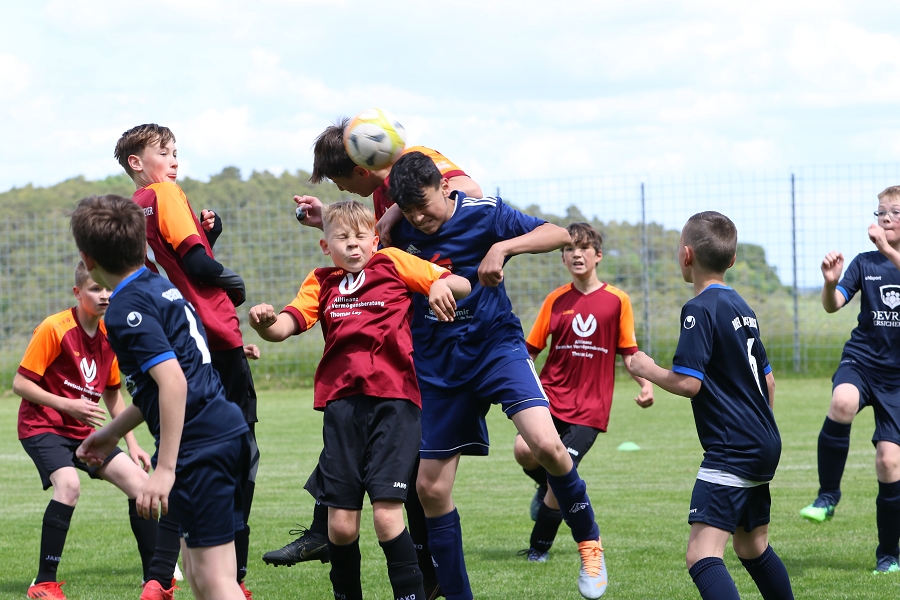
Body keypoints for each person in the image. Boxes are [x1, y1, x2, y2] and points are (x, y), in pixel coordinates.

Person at [264, 119, 482, 600]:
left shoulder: (397, 225)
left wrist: (444, 284)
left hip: (395, 402)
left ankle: (418, 587)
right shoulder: (321, 280)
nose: (358, 242)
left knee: (389, 515)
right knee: (342, 526)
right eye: (344, 238)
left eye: (364, 236)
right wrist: (265, 324)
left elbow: (465, 211)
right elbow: (289, 323)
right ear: (328, 245)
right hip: (342, 408)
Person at [384, 151, 606, 600]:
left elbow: (558, 233)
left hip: (495, 347)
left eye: (424, 205)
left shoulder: (485, 214)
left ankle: (589, 542)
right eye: (408, 211)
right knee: (429, 489)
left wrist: (502, 248)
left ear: (445, 189)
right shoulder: (397, 230)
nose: (419, 218)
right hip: (438, 364)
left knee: (545, 444)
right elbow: (356, 243)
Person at [72, 194, 250, 600]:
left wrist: (165, 469)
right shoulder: (159, 286)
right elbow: (156, 387)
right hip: (222, 427)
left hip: (199, 441)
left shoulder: (124, 308)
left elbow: (173, 383)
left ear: (87, 257)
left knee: (213, 581)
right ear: (143, 244)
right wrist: (110, 434)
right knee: (199, 571)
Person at [114, 124, 259, 597]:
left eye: (176, 152)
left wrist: (206, 233)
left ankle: (159, 575)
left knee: (182, 452)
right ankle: (232, 576)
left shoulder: (139, 206)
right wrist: (229, 279)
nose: (174, 160)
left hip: (187, 337)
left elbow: (176, 259)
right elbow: (197, 267)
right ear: (137, 162)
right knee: (237, 454)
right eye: (163, 152)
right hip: (215, 329)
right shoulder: (166, 192)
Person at [628, 211, 794, 600]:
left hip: (732, 448)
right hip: (764, 441)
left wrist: (647, 368)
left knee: (702, 555)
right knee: (751, 546)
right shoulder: (743, 308)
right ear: (732, 260)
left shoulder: (698, 310)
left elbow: (688, 383)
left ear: (686, 256)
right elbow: (768, 381)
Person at [14, 262, 156, 599]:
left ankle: (154, 580)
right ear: (78, 293)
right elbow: (20, 383)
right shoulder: (54, 328)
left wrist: (132, 444)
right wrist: (67, 405)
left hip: (83, 432)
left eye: (109, 288)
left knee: (141, 486)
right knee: (69, 484)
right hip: (42, 426)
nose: (105, 295)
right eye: (95, 289)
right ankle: (44, 582)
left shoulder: (112, 333)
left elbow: (112, 393)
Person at [516, 222, 654, 563]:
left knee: (557, 480)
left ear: (597, 256)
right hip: (550, 397)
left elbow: (629, 351)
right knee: (523, 451)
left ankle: (539, 549)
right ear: (562, 257)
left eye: (583, 248)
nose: (576, 254)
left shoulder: (617, 301)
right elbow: (529, 351)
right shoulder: (555, 300)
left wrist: (646, 383)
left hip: (591, 407)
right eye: (568, 249)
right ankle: (550, 484)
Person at [798, 186, 900, 574]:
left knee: (890, 463)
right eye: (880, 212)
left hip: (897, 380)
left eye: (893, 212)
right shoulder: (864, 262)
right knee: (841, 402)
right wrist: (829, 282)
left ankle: (888, 554)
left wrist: (890, 252)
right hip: (862, 360)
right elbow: (833, 305)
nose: (885, 218)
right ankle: (827, 496)